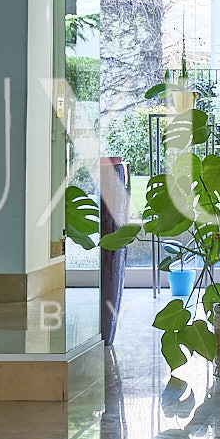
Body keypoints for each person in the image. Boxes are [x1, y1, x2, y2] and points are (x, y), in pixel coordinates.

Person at [89, 148, 133, 349]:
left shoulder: (119, 172)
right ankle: (106, 334)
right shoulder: (112, 175)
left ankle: (107, 334)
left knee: (113, 258)